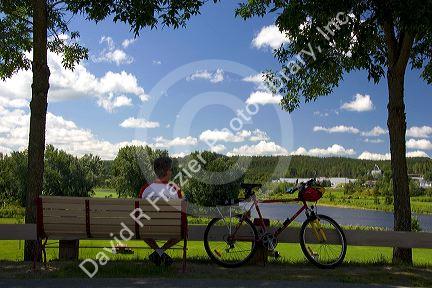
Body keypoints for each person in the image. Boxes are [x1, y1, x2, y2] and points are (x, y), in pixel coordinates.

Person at [139, 156, 183, 266]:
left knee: (141, 228)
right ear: (167, 172)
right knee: (181, 233)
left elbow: (138, 211)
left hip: (147, 228)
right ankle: (161, 252)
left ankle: (158, 253)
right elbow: (181, 211)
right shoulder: (174, 189)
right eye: (171, 170)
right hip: (171, 229)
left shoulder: (145, 188)